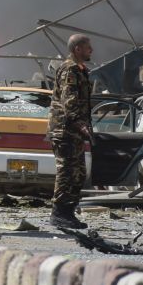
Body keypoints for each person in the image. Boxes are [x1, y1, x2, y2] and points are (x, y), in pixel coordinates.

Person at [47, 34, 94, 229]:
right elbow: (70, 101)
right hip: (65, 130)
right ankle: (59, 214)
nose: (91, 50)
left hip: (74, 131)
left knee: (79, 174)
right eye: (88, 47)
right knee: (66, 173)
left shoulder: (81, 70)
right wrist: (80, 124)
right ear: (77, 49)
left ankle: (68, 213)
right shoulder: (70, 70)